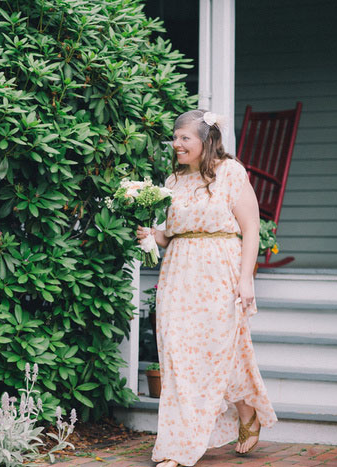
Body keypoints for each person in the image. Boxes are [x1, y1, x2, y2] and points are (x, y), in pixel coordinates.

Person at [136, 110, 277, 467]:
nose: (177, 144)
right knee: (178, 359)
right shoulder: (173, 180)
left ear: (205, 140)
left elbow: (251, 230)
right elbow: (172, 233)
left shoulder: (232, 173)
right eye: (175, 137)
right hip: (178, 273)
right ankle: (179, 447)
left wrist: (246, 280)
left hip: (219, 271)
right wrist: (153, 235)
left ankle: (246, 411)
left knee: (217, 351)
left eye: (185, 138)